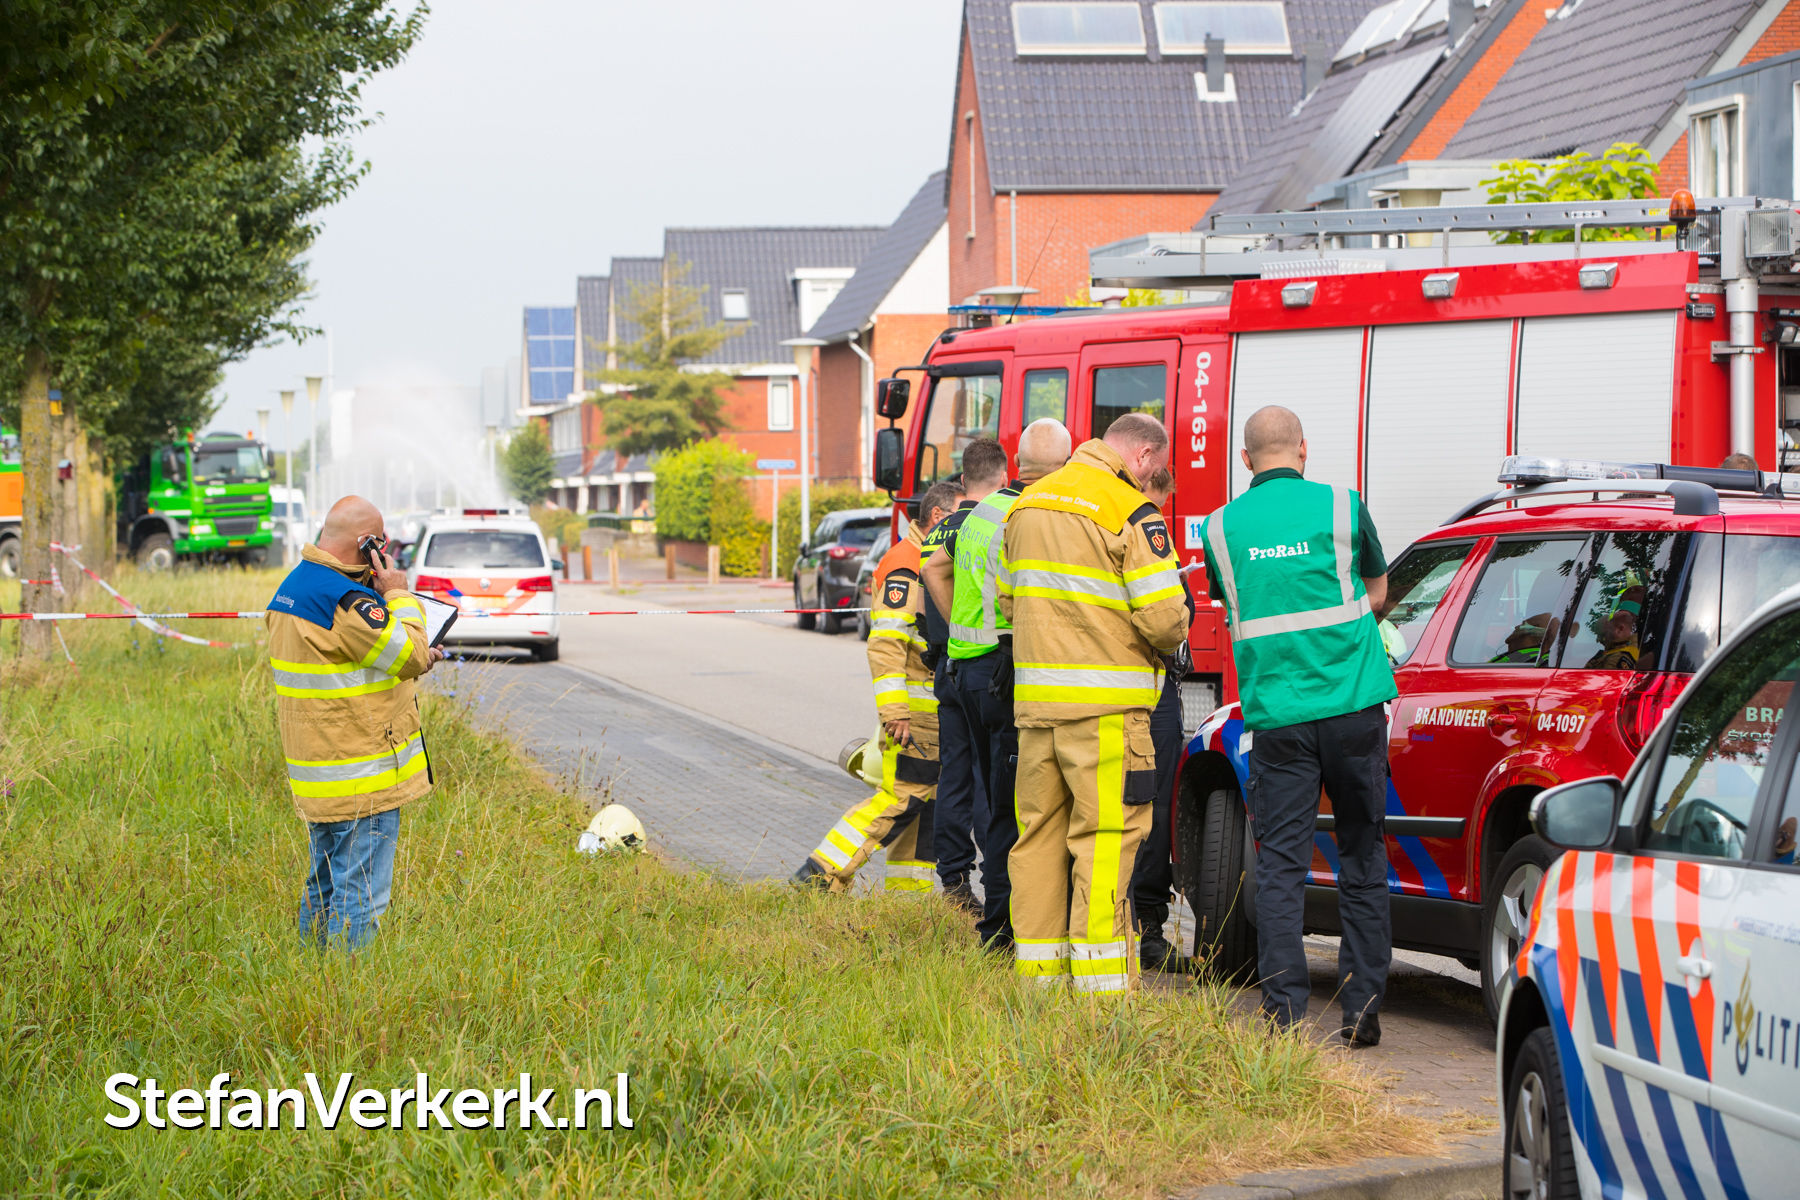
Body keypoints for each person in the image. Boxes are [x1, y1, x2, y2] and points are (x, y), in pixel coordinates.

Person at [1198, 405, 1396, 1044]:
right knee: (1362, 854)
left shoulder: (1220, 528)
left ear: (1246, 460)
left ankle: (1284, 1014)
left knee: (1280, 863)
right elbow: (1378, 590)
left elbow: (1236, 609)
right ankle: (1361, 1013)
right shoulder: (1343, 504)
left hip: (1278, 717)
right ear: (1303, 450)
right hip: (1354, 706)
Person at [998, 413, 1190, 994]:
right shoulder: (1130, 511)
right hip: (1107, 714)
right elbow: (1165, 620)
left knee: (1036, 840)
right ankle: (1100, 1000)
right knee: (1104, 841)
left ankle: (1038, 984)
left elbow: (1007, 601)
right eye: (1153, 467)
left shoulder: (1025, 505)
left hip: (1036, 713)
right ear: (1145, 456)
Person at [266, 495, 445, 950]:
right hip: (361, 773)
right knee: (363, 894)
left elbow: (357, 662)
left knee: (324, 885)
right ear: (368, 545)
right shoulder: (346, 601)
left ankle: (314, 975)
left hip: (320, 773)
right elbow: (410, 654)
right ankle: (350, 991)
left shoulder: (293, 588)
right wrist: (399, 595)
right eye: (380, 544)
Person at [923, 418, 1072, 952]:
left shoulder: (979, 513)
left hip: (963, 668)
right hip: (1001, 673)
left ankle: (991, 913)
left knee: (982, 793)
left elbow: (935, 567)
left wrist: (962, 630)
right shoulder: (1026, 514)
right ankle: (1003, 930)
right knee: (1013, 808)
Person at [794, 481, 964, 892]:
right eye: (962, 514)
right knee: (901, 797)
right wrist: (895, 712)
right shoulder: (907, 563)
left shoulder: (921, 557)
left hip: (929, 708)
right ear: (939, 518)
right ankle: (821, 871)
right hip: (915, 711)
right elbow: (887, 642)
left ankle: (908, 898)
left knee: (922, 806)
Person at [920, 439, 1009, 913]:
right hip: (983, 664)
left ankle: (952, 877)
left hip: (946, 663)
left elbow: (927, 583)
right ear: (1002, 474)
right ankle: (995, 881)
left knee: (953, 776)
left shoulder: (940, 530)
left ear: (961, 479)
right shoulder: (991, 523)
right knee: (987, 779)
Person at [1129, 466, 1193, 973]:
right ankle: (1147, 930)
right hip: (1147, 695)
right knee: (1149, 808)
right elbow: (1169, 618)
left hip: (1081, 694)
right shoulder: (1143, 521)